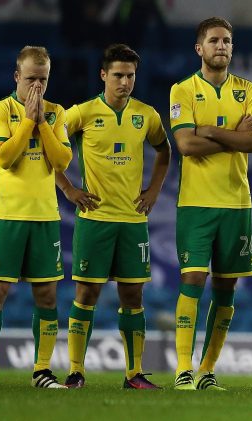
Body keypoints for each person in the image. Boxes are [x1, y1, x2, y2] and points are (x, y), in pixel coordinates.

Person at [56, 44, 170, 390]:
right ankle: (76, 371)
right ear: (103, 75)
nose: (124, 82)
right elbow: (48, 146)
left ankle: (133, 374)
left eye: (130, 75)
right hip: (95, 219)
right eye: (118, 75)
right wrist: (69, 189)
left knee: (133, 296)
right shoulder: (83, 113)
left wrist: (153, 191)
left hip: (133, 222)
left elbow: (164, 151)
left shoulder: (146, 115)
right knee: (86, 294)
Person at [169, 17, 252, 391]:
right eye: (214, 41)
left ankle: (207, 371)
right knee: (192, 280)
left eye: (227, 41)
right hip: (196, 203)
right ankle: (183, 370)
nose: (221, 46)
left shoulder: (248, 90)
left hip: (237, 203)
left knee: (227, 290)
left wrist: (209, 130)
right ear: (200, 49)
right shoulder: (183, 90)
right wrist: (234, 136)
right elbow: (186, 146)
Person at [0, 46, 73, 389]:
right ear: (17, 76)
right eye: (31, 78)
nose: (37, 87)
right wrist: (28, 122)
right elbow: (4, 157)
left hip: (45, 217)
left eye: (43, 80)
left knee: (46, 296)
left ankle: (42, 371)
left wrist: (42, 123)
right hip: (7, 215)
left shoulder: (57, 113)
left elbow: (61, 161)